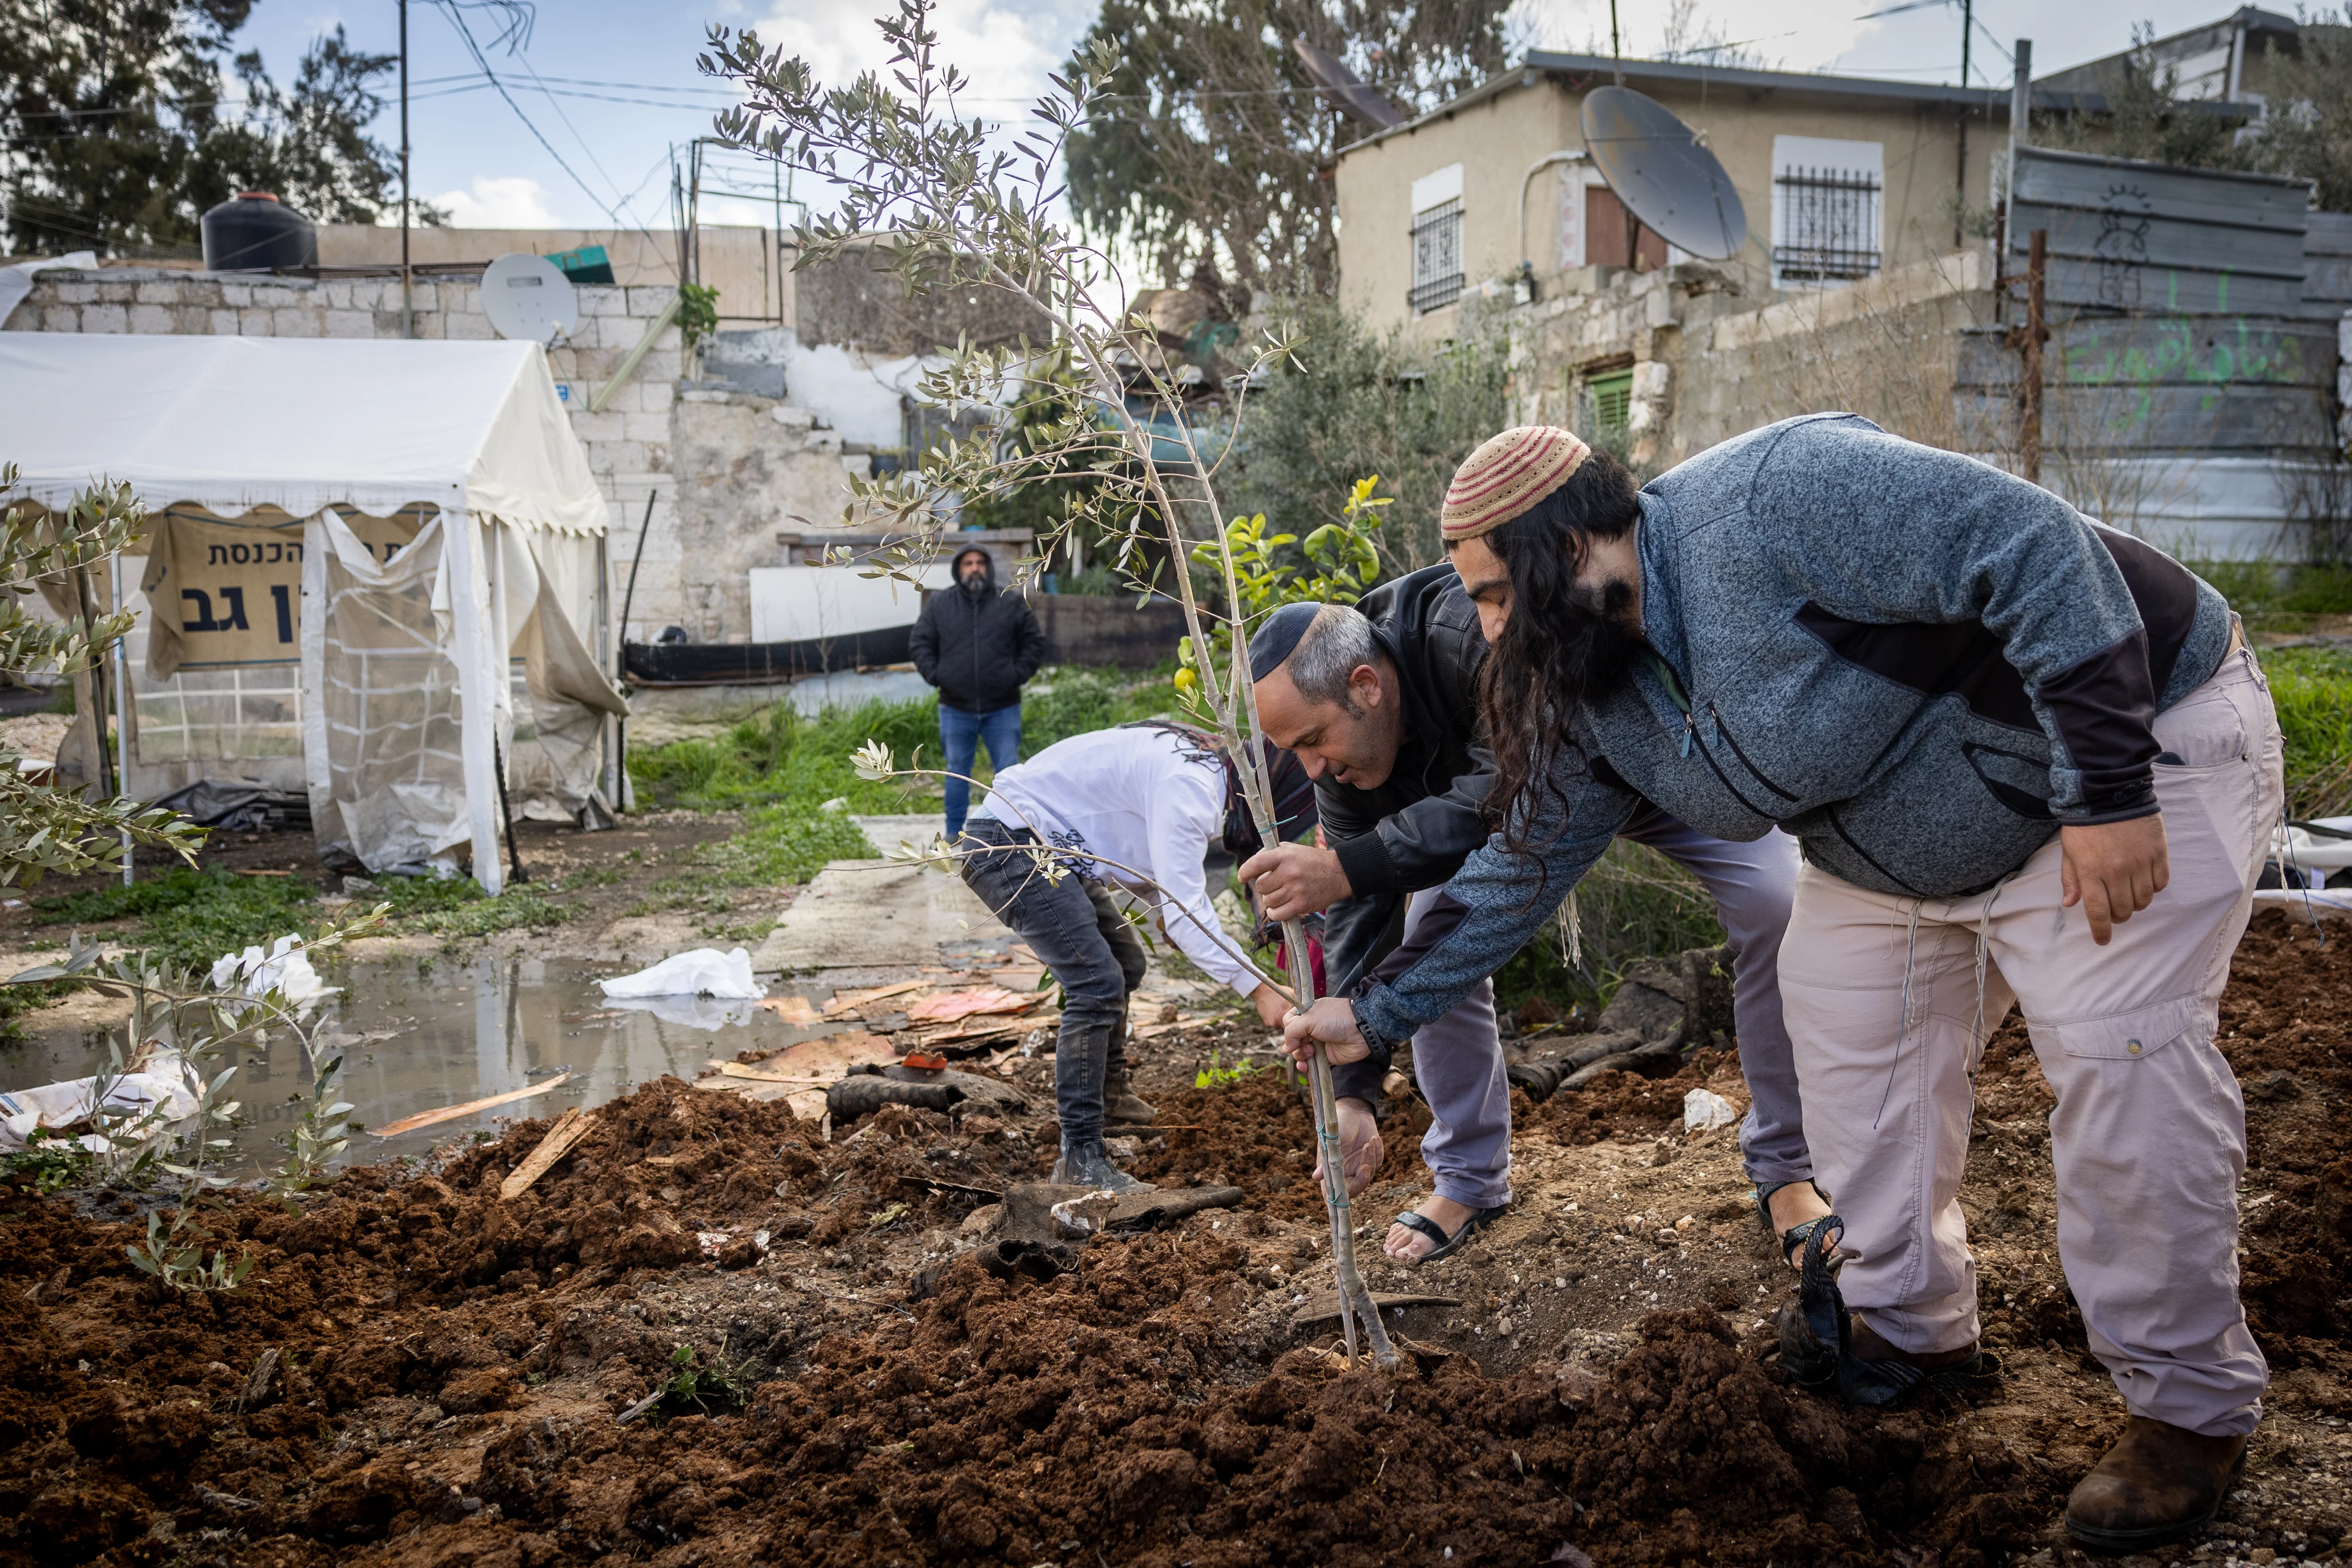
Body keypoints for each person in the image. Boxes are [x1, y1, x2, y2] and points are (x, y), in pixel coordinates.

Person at [1282, 417, 2278, 1551]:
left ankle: (2185, 1412)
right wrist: (1368, 1016)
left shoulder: (1778, 498)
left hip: (2121, 746)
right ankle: (1908, 1330)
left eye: (1501, 596)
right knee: (1845, 1031)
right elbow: (1518, 862)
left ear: (1572, 548)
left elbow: (2033, 543)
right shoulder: (1592, 681)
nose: (1492, 632)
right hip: (1895, 850)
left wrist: (2104, 787)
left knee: (2121, 1057)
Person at [1240, 580, 1822, 1266]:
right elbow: (1360, 910)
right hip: (1491, 837)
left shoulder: (1468, 637)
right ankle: (1468, 1178)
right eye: (1294, 752)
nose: (1312, 769)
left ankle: (1786, 1165)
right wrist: (1353, 1094)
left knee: (1778, 904)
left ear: (1366, 686)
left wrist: (1352, 865)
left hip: (1644, 771)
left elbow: (1515, 783)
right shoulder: (1340, 762)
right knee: (1430, 941)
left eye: (1312, 741)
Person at [958, 722, 1314, 1192]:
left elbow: (1129, 835)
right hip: (1009, 845)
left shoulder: (1205, 767)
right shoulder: (1190, 788)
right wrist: (1257, 987)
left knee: (1126, 965)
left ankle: (1108, 1094)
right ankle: (1080, 1157)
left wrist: (1161, 906)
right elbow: (1188, 912)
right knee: (1096, 984)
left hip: (1049, 844)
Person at [911, 544, 1047, 837]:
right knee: (956, 771)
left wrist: (1015, 676)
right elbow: (920, 642)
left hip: (1003, 707)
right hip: (955, 707)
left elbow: (1033, 644)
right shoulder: (940, 605)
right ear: (958, 569)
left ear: (989, 568)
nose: (975, 568)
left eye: (980, 563)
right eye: (968, 563)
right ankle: (953, 832)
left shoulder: (1009, 603)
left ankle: (1011, 832)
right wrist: (938, 676)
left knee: (1009, 773)